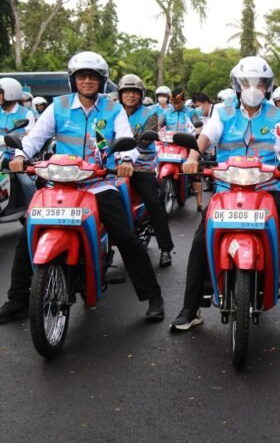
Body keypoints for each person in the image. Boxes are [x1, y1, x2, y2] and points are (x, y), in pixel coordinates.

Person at [0, 51, 165, 324]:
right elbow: (35, 138)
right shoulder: (58, 106)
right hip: (59, 184)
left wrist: (125, 159)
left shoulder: (114, 110)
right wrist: (20, 156)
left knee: (126, 236)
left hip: (99, 184)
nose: (87, 81)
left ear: (101, 81)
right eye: (81, 76)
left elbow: (126, 138)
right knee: (26, 235)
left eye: (93, 77)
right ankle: (17, 299)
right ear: (73, 79)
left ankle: (153, 297)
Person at [170, 56, 280, 330]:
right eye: (247, 82)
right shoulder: (223, 112)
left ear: (268, 87)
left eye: (260, 83)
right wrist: (193, 156)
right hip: (228, 187)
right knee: (201, 240)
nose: (253, 87)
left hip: (267, 187)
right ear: (237, 85)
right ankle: (190, 308)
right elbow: (206, 138)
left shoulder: (277, 114)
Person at [117, 74, 175, 268]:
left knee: (153, 203)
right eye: (126, 92)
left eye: (135, 92)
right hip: (114, 166)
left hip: (142, 165)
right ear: (120, 94)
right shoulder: (113, 112)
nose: (130, 95)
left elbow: (146, 138)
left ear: (141, 95)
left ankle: (165, 248)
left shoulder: (150, 113)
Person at [159, 87, 204, 211]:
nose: (176, 105)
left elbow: (197, 125)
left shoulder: (190, 112)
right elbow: (159, 125)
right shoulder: (166, 112)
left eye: (178, 102)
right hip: (169, 145)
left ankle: (199, 202)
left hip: (187, 145)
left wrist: (197, 133)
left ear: (184, 101)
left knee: (195, 172)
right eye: (173, 102)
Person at [0, 77, 36, 208]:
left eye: (0, 92)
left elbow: (30, 137)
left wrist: (19, 154)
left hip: (17, 157)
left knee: (27, 183)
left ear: (10, 93)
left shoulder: (26, 114)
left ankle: (32, 211)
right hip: (0, 156)